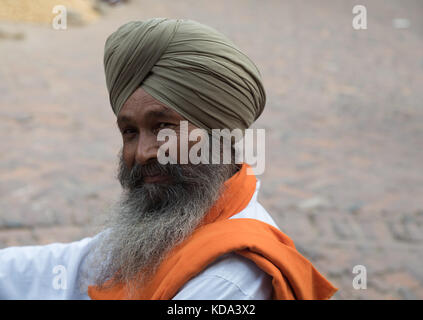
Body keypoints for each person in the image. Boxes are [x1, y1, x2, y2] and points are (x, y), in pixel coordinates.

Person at [0, 18, 337, 300]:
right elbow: (70, 267)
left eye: (164, 127)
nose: (144, 152)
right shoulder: (169, 223)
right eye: (130, 131)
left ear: (218, 133)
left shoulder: (230, 284)